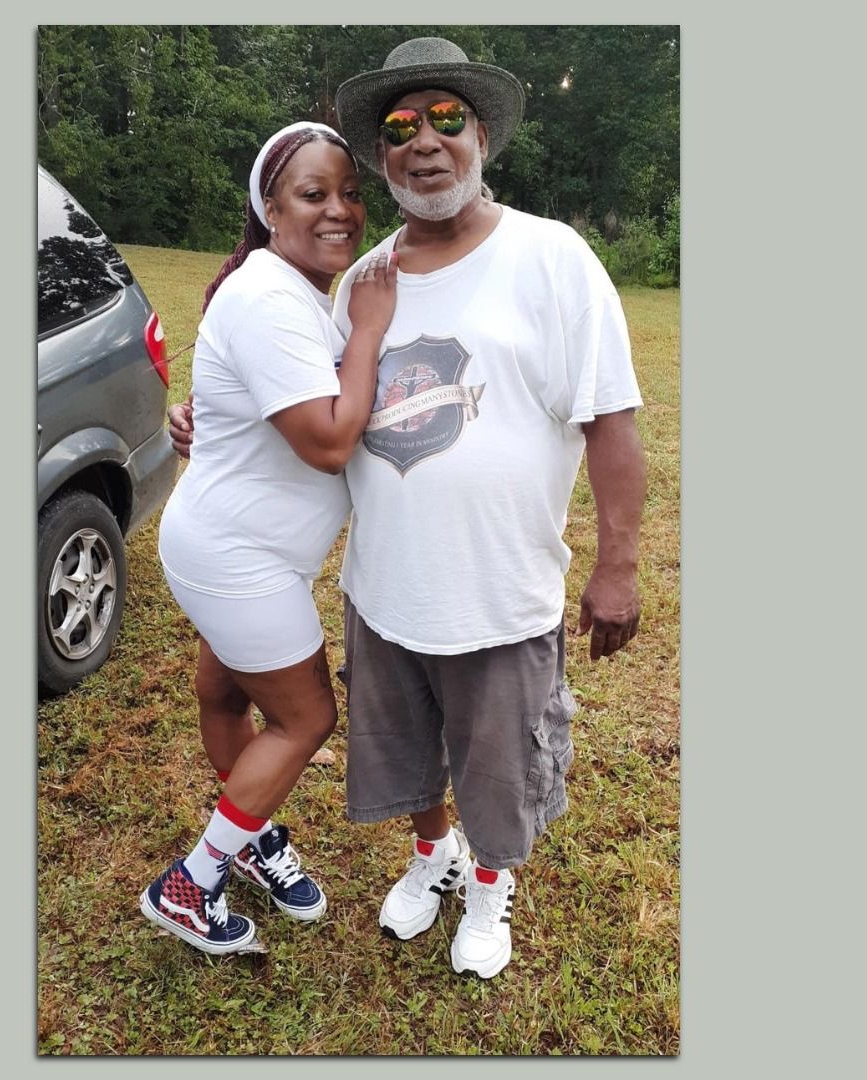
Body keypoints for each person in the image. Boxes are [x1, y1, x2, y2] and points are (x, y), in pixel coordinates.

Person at [169, 37, 647, 979]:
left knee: (498, 764)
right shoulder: (365, 279)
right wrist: (209, 422)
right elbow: (307, 400)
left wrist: (618, 562)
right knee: (407, 752)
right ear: (382, 158)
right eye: (397, 128)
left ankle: (491, 891)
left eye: (444, 121)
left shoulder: (554, 258)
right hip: (385, 586)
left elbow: (614, 422)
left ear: (480, 138)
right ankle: (432, 860)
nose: (422, 143)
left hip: (502, 592)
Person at [140, 121, 398, 956]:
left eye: (351, 192)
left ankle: (247, 836)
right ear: (270, 208)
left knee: (224, 695)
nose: (341, 211)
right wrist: (367, 330)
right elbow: (326, 440)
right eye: (313, 194)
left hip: (229, 543)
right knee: (305, 719)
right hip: (238, 556)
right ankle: (191, 885)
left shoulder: (283, 290)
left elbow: (234, 406)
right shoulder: (269, 296)